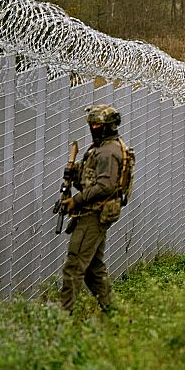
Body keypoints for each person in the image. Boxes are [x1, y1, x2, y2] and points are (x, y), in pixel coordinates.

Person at [60, 104, 125, 312]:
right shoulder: (102, 148)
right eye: (91, 123)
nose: (93, 127)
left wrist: (76, 200)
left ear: (109, 126)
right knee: (93, 270)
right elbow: (91, 178)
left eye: (97, 124)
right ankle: (115, 313)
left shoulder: (107, 152)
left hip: (93, 213)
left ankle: (62, 317)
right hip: (94, 212)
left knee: (74, 266)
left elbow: (105, 186)